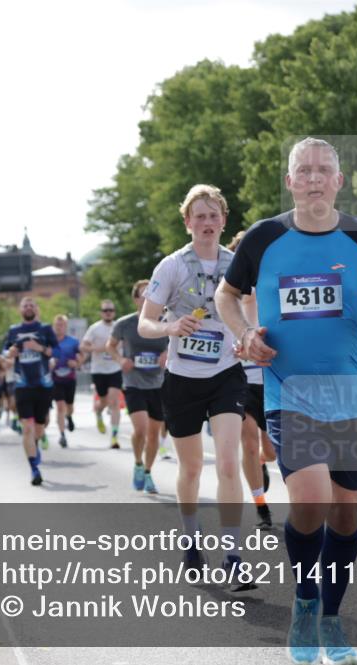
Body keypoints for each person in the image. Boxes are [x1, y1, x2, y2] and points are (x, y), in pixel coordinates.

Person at [216, 137, 357, 665]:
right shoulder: (264, 238)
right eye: (305, 171)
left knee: (345, 516)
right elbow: (225, 295)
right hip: (288, 389)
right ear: (290, 181)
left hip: (349, 392)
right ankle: (304, 605)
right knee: (311, 502)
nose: (315, 179)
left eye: (325, 170)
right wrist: (245, 332)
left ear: (339, 181)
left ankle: (331, 617)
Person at [139, 183, 251, 585]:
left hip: (225, 375)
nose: (207, 222)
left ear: (224, 221)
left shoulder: (237, 263)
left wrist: (247, 337)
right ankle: (190, 541)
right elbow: (145, 323)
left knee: (226, 462)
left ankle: (234, 557)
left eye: (213, 215)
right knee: (189, 469)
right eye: (199, 216)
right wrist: (171, 325)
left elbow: (251, 310)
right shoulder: (171, 266)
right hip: (183, 379)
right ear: (187, 222)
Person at [226, 230, 277, 528]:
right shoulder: (228, 295)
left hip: (270, 377)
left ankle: (260, 463)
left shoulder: (271, 285)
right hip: (240, 379)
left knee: (268, 451)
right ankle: (261, 505)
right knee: (247, 441)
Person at [108, 280, 169, 493]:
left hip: (159, 384)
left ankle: (148, 471)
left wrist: (167, 353)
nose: (147, 299)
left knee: (154, 435)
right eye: (143, 295)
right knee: (141, 430)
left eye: (151, 294)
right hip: (133, 383)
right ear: (135, 299)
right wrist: (120, 360)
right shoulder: (125, 324)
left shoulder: (165, 322)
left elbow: (178, 343)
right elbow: (110, 346)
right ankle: (137, 462)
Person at [4, 296, 59, 486]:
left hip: (43, 385)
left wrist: (39, 347)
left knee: (39, 427)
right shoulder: (14, 330)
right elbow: (6, 353)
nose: (28, 308)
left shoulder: (45, 329)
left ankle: (34, 445)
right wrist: (11, 353)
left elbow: (55, 352)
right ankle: (34, 469)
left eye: (31, 305)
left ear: (36, 308)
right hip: (22, 384)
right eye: (25, 305)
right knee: (27, 427)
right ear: (20, 309)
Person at [82, 300, 124, 448]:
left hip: (115, 368)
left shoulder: (119, 326)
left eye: (111, 310)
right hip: (99, 370)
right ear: (101, 312)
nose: (108, 313)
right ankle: (99, 412)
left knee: (114, 402)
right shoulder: (95, 328)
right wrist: (98, 348)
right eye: (105, 310)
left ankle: (114, 436)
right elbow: (84, 345)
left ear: (114, 312)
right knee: (104, 401)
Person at [50, 314, 81, 448]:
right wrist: (50, 363)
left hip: (70, 378)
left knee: (69, 406)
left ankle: (69, 417)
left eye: (62, 325)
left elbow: (81, 356)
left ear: (66, 327)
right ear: (53, 326)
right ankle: (62, 435)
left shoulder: (73, 341)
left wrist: (76, 363)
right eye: (57, 325)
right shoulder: (49, 342)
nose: (59, 327)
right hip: (55, 379)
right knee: (60, 406)